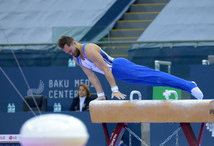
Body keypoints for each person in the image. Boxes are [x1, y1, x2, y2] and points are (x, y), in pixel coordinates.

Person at [58, 36, 203, 100]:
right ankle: (188, 86)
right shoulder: (77, 59)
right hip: (121, 74)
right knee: (155, 82)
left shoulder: (88, 49)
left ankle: (189, 86)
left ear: (74, 43)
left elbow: (105, 69)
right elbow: (92, 76)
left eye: (70, 50)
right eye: (67, 53)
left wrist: (114, 89)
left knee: (155, 76)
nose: (70, 54)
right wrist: (101, 96)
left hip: (119, 67)